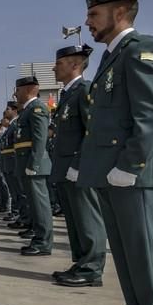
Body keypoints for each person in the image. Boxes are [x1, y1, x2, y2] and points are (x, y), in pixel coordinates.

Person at [79, 0, 153, 305]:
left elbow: (151, 113)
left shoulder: (140, 49)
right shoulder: (112, 55)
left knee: (146, 254)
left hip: (136, 175)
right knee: (129, 256)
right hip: (114, 174)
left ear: (120, 12)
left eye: (94, 14)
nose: (88, 21)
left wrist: (131, 165)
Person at [49, 43, 107, 288]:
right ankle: (82, 262)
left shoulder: (84, 90)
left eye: (59, 63)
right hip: (64, 168)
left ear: (75, 64)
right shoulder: (68, 95)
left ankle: (92, 268)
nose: (54, 68)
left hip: (77, 168)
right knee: (74, 219)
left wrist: (79, 164)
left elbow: (92, 132)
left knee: (87, 218)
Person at [13, 76, 53, 256]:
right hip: (27, 163)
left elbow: (40, 139)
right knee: (34, 205)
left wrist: (34, 164)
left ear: (28, 89)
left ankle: (43, 242)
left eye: (18, 90)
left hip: (33, 165)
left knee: (40, 206)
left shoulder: (37, 108)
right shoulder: (27, 110)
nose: (15, 93)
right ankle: (38, 237)